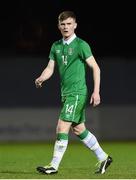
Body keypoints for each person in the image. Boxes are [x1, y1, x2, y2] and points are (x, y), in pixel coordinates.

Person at [35, 11, 113, 175]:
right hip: (66, 93)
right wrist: (42, 78)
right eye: (63, 24)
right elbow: (50, 68)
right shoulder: (56, 46)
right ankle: (103, 157)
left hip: (76, 93)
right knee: (78, 129)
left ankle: (53, 166)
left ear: (75, 25)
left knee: (61, 127)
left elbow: (96, 68)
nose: (66, 27)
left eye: (69, 24)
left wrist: (96, 91)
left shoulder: (81, 45)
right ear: (58, 26)